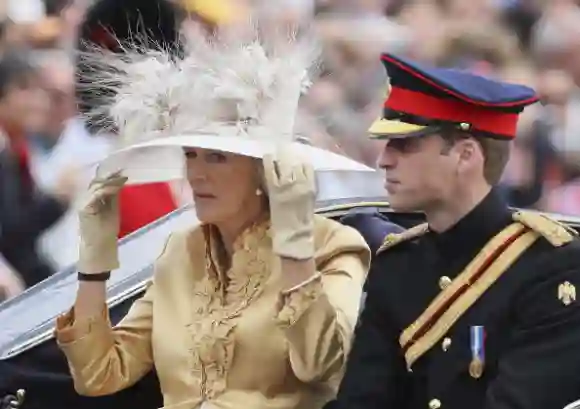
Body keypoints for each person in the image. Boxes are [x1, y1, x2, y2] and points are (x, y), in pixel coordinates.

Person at [54, 1, 371, 409]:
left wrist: (295, 245)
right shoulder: (180, 253)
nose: (196, 174)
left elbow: (320, 366)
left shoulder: (333, 246)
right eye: (190, 155)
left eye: (218, 157)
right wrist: (94, 265)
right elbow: (100, 374)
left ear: (266, 171)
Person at [325, 53, 580, 409]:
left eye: (405, 145)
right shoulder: (399, 262)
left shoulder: (550, 267)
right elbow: (361, 399)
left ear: (465, 155)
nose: (384, 159)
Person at [0, 49, 73, 290]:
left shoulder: (19, 148)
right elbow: (10, 234)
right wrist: (55, 201)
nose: (36, 101)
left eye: (38, 90)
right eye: (23, 90)